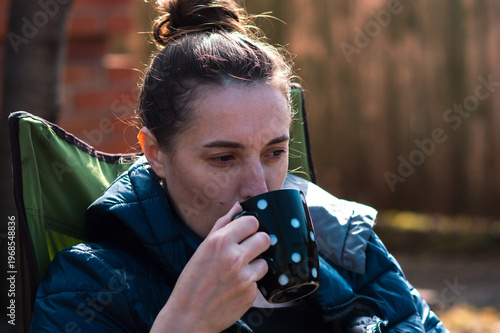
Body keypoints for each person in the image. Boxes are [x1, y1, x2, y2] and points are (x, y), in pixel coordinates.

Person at [30, 0, 448, 332]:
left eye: (274, 153)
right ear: (155, 153)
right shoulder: (91, 285)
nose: (259, 187)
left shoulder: (345, 244)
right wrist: (186, 323)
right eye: (224, 158)